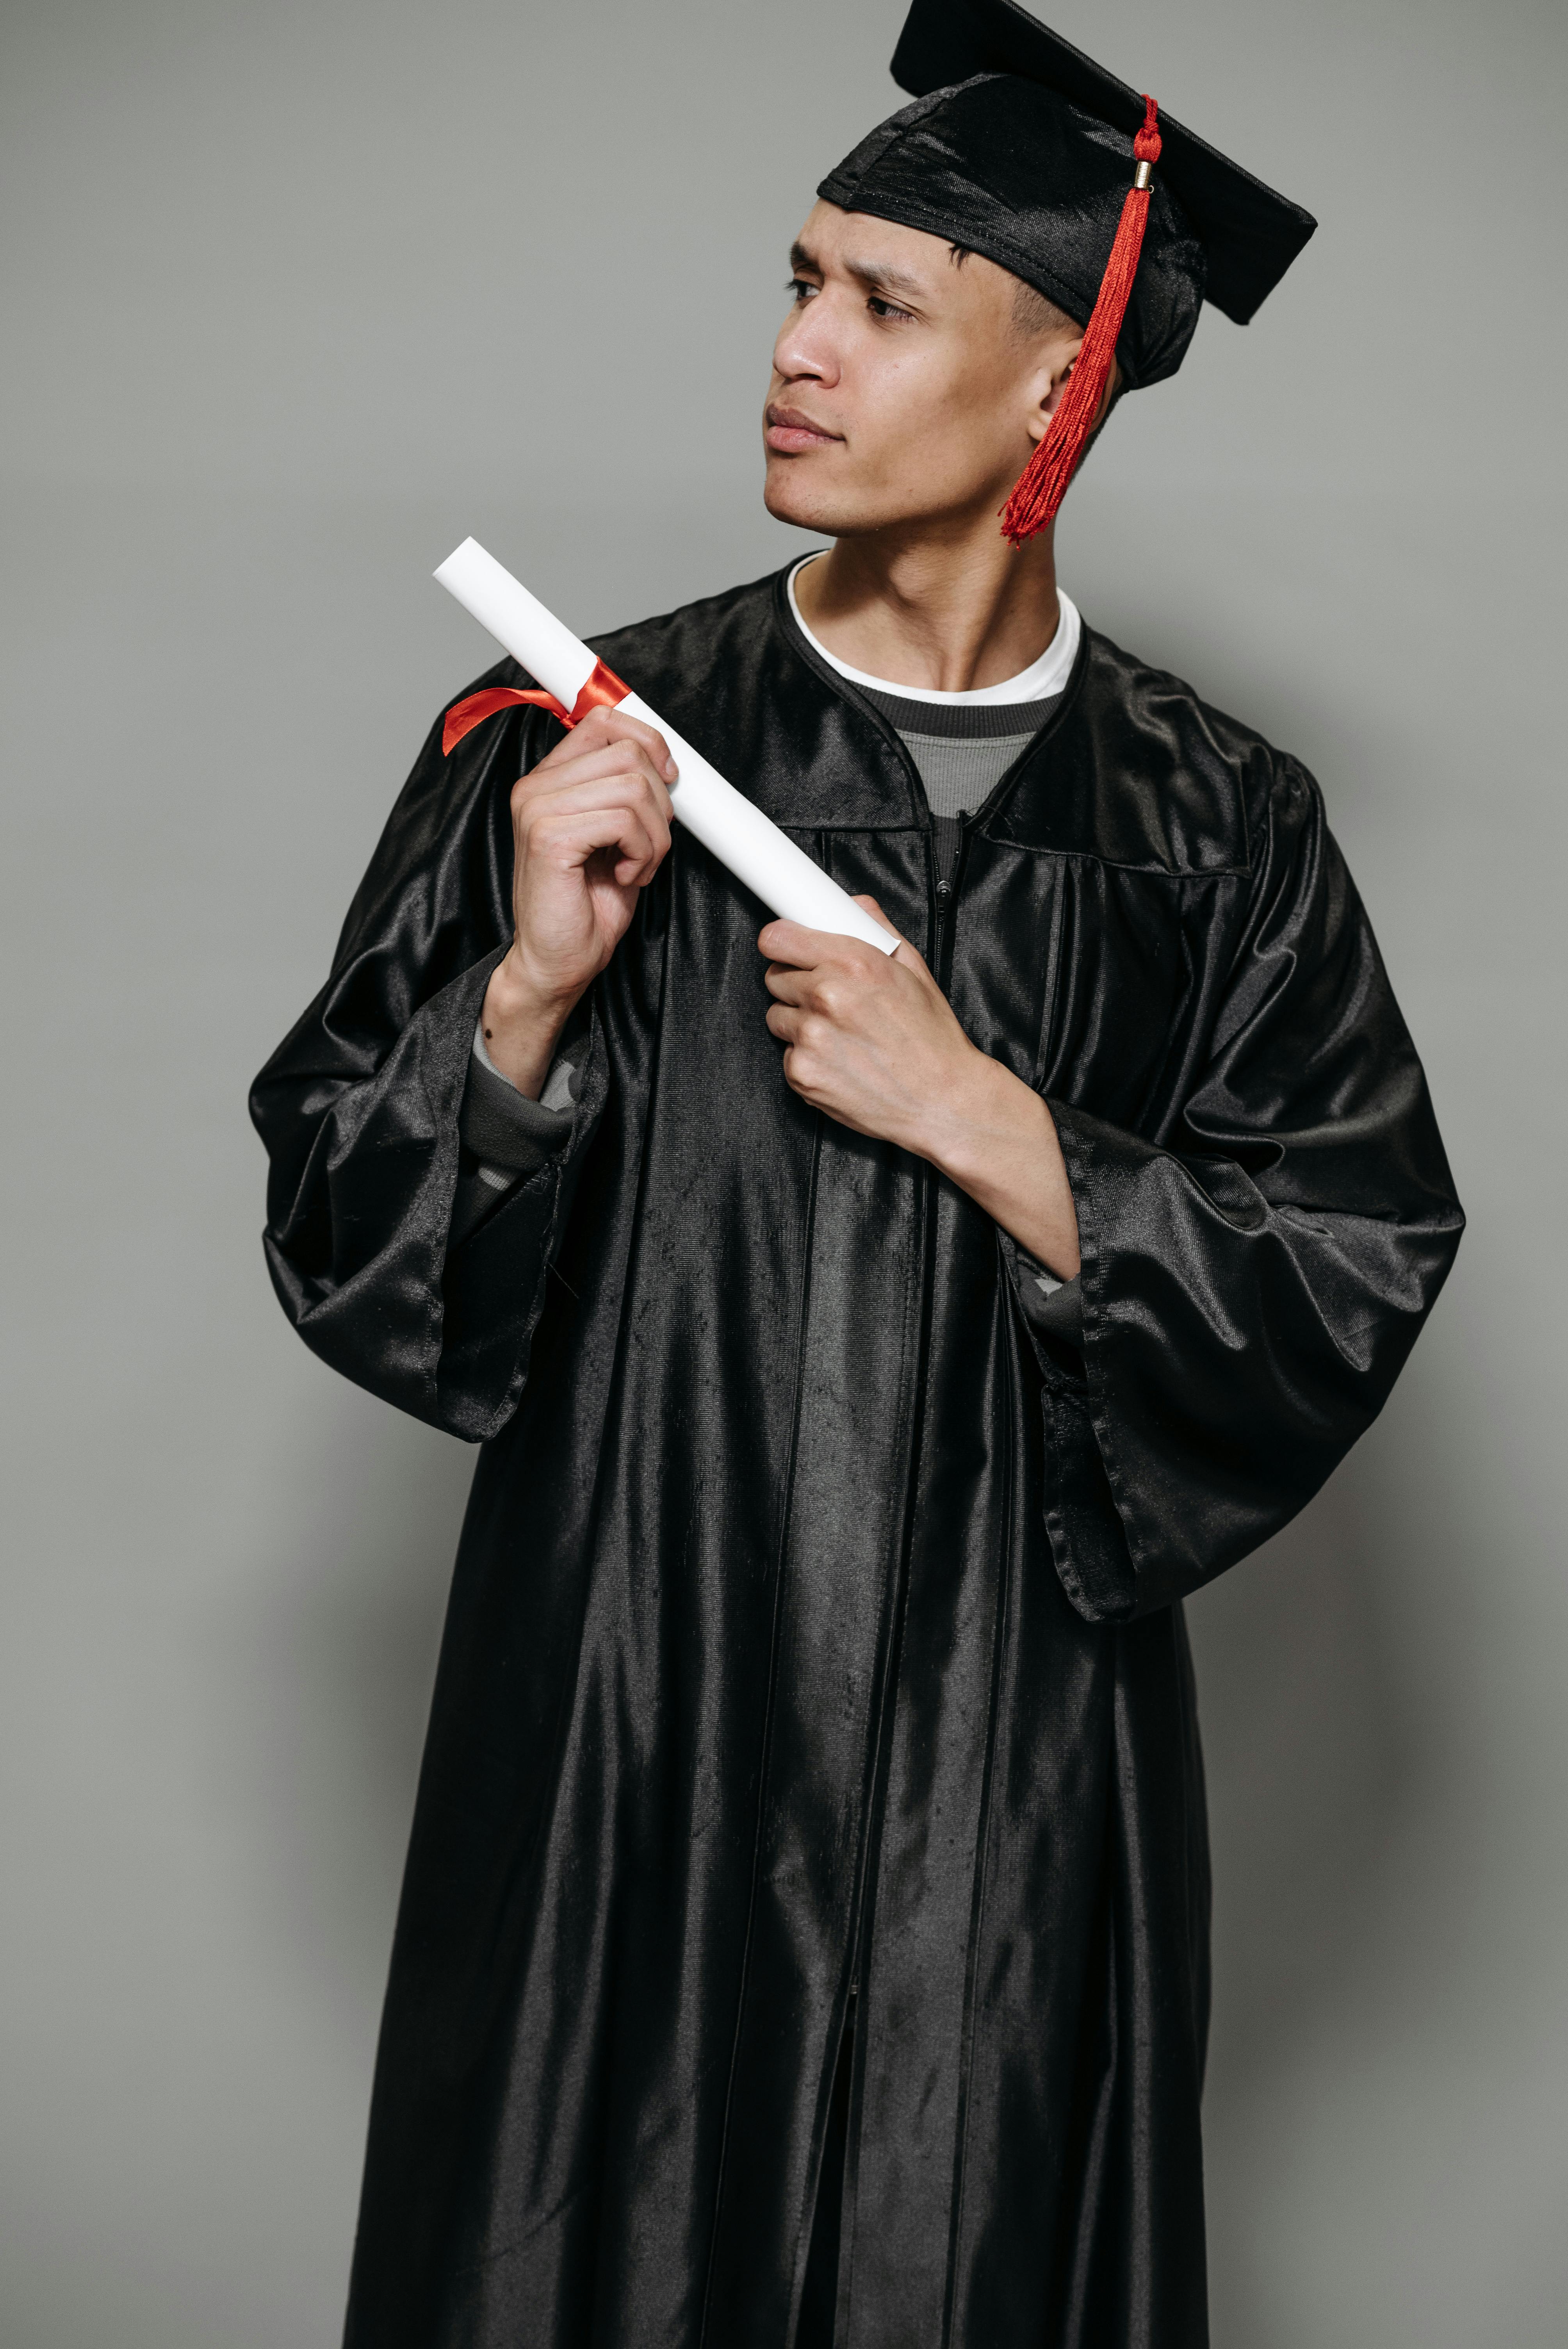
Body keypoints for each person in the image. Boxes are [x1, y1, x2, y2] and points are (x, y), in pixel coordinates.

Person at [251, 5, 1462, 2343]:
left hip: (1009, 1786)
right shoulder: (576, 740)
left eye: (881, 302)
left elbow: (1345, 1263)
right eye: (797, 280)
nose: (797, 352)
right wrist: (522, 997)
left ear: (1054, 394)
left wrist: (991, 1119)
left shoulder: (1219, 835)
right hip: (630, 1715)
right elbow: (346, 1220)